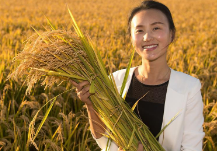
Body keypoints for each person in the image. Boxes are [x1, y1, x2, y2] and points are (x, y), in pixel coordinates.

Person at [70, 0, 205, 151]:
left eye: (156, 28)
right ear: (131, 38)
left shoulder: (189, 88)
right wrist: (90, 104)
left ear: (171, 34)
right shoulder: (115, 80)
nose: (147, 37)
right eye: (139, 30)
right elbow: (103, 138)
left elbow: (192, 148)